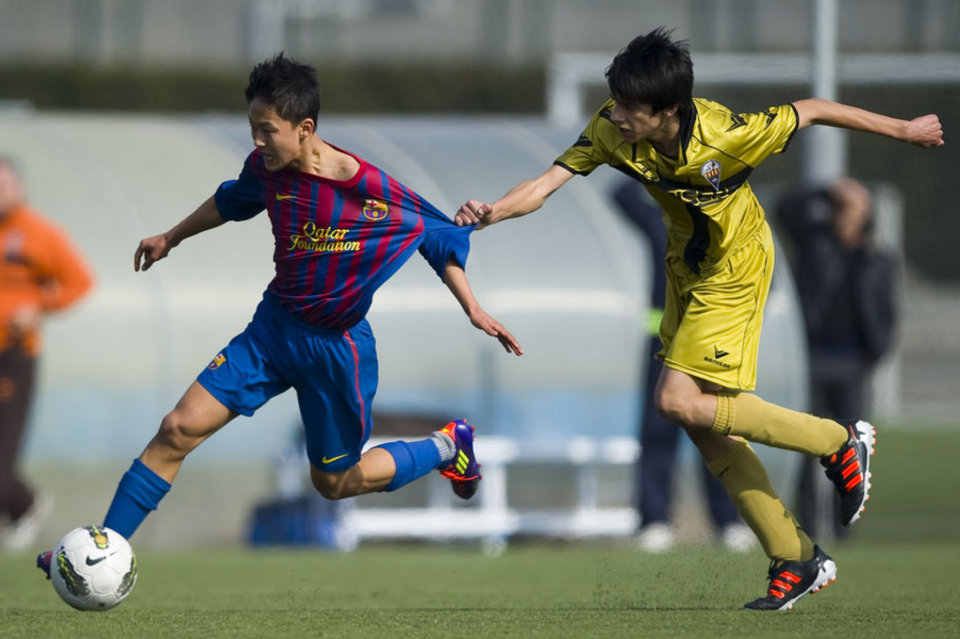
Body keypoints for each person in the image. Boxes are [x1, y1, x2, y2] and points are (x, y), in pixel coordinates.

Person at [455, 27, 942, 610]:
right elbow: (545, 184)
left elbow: (812, 109)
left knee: (675, 401)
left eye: (631, 107)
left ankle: (838, 440)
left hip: (735, 270)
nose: (617, 115)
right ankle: (795, 556)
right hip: (685, 272)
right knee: (705, 424)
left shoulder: (727, 135)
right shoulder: (612, 127)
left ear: (668, 110)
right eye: (616, 102)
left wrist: (903, 130)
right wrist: (492, 212)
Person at [36, 53, 522, 575]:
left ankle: (448, 446)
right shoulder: (265, 171)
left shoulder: (369, 190)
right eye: (252, 128)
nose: (257, 141)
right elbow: (229, 201)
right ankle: (101, 550)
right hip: (272, 333)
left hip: (337, 350)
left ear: (304, 128)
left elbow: (437, 236)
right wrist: (170, 237)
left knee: (335, 482)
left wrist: (473, 307)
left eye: (266, 130)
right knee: (176, 429)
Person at [612, 179, 753, 554]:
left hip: (713, 345)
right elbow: (621, 194)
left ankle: (728, 521)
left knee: (718, 429)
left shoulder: (728, 230)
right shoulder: (663, 225)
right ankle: (655, 520)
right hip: (665, 344)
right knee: (658, 430)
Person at [775, 177, 898, 540]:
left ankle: (844, 529)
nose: (844, 215)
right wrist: (829, 190)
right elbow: (784, 208)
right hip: (812, 359)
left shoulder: (875, 257)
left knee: (851, 449)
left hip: (852, 364)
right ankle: (810, 527)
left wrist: (875, 351)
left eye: (853, 209)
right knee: (805, 445)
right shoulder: (815, 240)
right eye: (840, 208)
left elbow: (887, 311)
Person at [0, 156, 94, 551]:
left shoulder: (41, 234)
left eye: (3, 185)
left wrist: (38, 307)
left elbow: (79, 281)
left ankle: (24, 505)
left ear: (19, 189)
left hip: (13, 356)